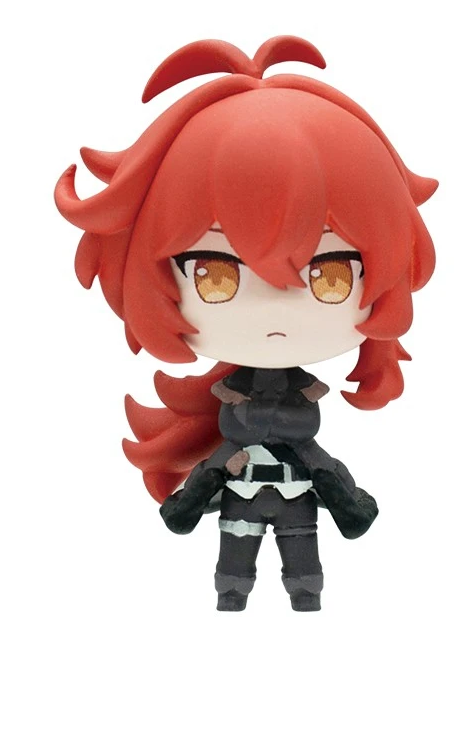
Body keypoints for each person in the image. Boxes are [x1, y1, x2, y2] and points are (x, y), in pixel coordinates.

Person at [54, 36, 437, 610]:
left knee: (304, 575)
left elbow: (322, 469)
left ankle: (300, 600)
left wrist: (344, 498)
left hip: (298, 511)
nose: (274, 304)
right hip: (238, 511)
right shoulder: (234, 433)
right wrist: (194, 498)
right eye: (214, 273)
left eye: (331, 274)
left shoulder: (297, 434)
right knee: (233, 576)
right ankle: (234, 604)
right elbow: (215, 474)